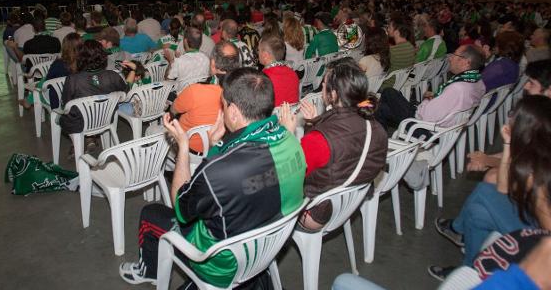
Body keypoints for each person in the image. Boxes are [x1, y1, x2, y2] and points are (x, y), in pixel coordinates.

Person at [119, 68, 307, 287]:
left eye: (224, 105)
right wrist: (215, 147)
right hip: (266, 248)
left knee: (151, 213)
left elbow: (181, 208)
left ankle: (149, 271)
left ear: (234, 112)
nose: (223, 110)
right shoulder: (292, 142)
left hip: (222, 265)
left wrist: (183, 146)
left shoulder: (219, 171)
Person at [429, 95, 551, 280]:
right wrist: (508, 143)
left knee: (485, 192)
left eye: (513, 114)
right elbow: (502, 188)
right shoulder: (535, 152)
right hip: (531, 217)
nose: (510, 116)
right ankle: (469, 268)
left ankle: (460, 236)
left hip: (540, 233)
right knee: (478, 213)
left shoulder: (540, 169)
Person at [279, 58, 387, 230]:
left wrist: (287, 135)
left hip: (317, 213)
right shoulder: (378, 128)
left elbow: (290, 174)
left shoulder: (321, 139)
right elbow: (339, 155)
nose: (322, 87)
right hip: (350, 204)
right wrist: (314, 123)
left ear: (334, 94)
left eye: (324, 84)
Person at [376, 44, 486, 130]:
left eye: (455, 55)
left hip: (425, 127)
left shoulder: (457, 88)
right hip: (444, 126)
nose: (450, 58)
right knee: (383, 106)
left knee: (388, 92)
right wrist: (435, 97)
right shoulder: (477, 81)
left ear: (466, 63)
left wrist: (427, 99)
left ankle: (376, 141)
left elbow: (425, 116)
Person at [171, 41, 240, 153]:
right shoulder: (244, 91)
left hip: (189, 149)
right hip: (224, 147)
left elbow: (173, 110)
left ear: (213, 64)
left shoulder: (195, 91)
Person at [59, 40, 128, 135]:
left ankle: (82, 142)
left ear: (80, 58)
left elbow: (65, 104)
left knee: (61, 117)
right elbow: (124, 94)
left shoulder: (73, 79)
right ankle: (89, 138)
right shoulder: (113, 75)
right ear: (103, 57)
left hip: (79, 124)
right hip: (106, 119)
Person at [259, 35, 299, 107]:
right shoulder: (293, 73)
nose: (258, 53)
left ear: (265, 55)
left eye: (258, 50)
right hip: (293, 115)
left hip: (273, 117)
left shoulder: (262, 78)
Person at [381, 17, 415, 89]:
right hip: (402, 82)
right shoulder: (411, 47)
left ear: (397, 31)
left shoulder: (392, 50)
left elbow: (382, 68)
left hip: (388, 85)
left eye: (389, 27)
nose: (388, 29)